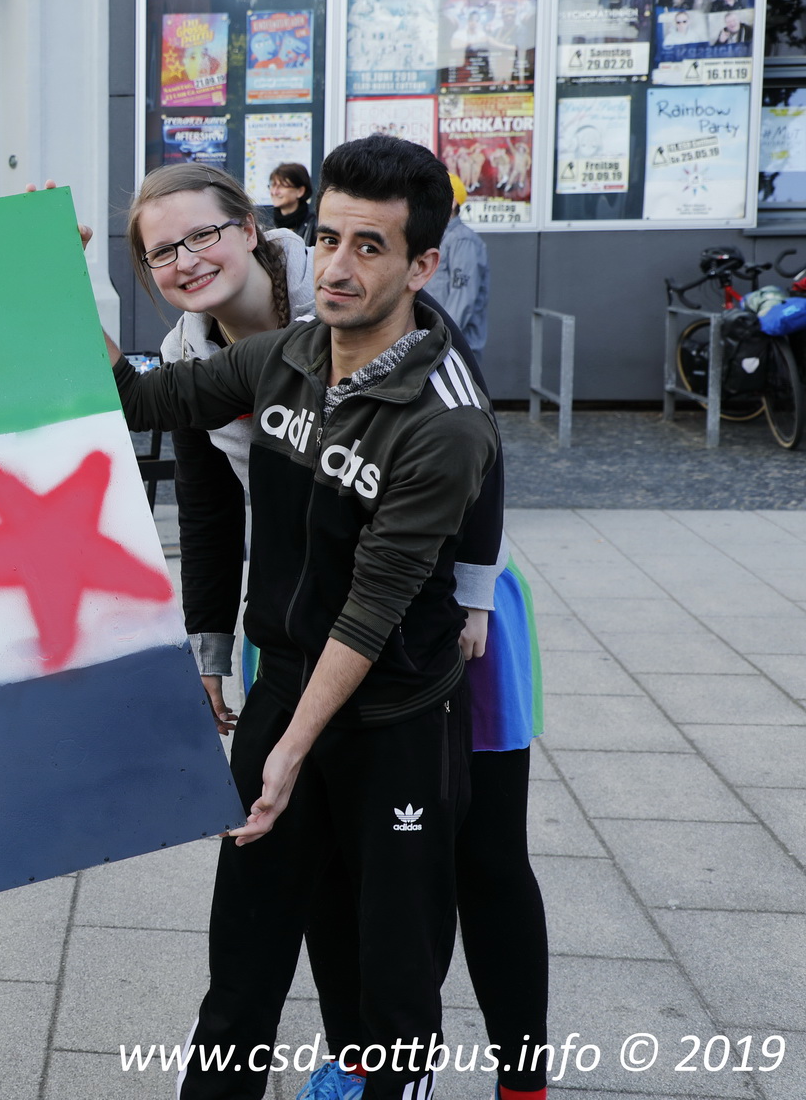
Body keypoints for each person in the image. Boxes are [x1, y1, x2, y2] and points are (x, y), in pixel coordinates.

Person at [108, 135, 497, 1100]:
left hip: (394, 716)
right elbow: (142, 400)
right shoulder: (286, 354)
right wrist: (55, 276)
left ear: (422, 265)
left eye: (370, 246)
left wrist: (291, 751)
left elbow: (373, 607)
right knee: (240, 972)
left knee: (391, 987)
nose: (336, 267)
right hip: (285, 687)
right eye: (326, 239)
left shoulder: (446, 420)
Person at [425, 172, 490, 356]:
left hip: (454, 349)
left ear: (452, 202)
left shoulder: (463, 240)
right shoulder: (438, 238)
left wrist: (439, 339)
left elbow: (462, 298)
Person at [266, 162, 313, 237]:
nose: (274, 192)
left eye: (282, 186)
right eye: (273, 186)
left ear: (300, 191)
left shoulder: (314, 227)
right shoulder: (267, 228)